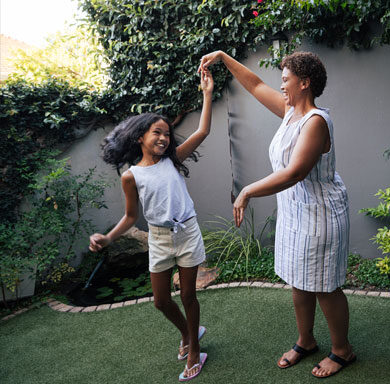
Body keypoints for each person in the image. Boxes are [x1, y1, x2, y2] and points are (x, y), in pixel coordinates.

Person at [198, 51, 355, 378]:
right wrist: (224, 58)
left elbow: (295, 172)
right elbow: (254, 85)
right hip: (296, 212)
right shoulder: (289, 112)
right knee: (299, 280)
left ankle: (342, 350)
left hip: (320, 215)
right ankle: (306, 340)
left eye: (286, 80)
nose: (281, 85)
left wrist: (247, 190)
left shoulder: (315, 122)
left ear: (304, 82)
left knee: (324, 285)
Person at [88, 69, 214, 381]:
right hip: (159, 239)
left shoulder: (172, 161)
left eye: (167, 134)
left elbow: (203, 131)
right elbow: (131, 217)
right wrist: (108, 239)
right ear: (140, 137)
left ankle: (195, 348)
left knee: (188, 296)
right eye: (157, 132)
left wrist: (208, 94)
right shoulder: (131, 176)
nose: (163, 138)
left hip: (186, 232)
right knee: (160, 300)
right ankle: (189, 333)